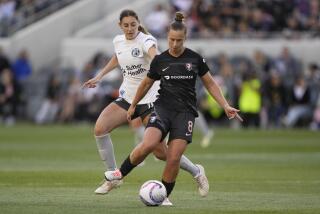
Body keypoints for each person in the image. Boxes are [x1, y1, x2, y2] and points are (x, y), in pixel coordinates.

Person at [105, 12, 242, 202]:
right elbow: (145, 84)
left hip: (185, 113)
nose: (174, 44)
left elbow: (210, 83)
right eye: (171, 40)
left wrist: (225, 105)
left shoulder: (195, 59)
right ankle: (119, 175)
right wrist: (133, 105)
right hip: (162, 108)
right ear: (167, 38)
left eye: (179, 40)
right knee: (149, 144)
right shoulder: (160, 60)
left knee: (174, 157)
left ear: (185, 38)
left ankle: (163, 196)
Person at [82, 9, 209, 205]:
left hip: (150, 100)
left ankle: (196, 172)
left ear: (138, 23)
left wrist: (164, 62)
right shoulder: (118, 41)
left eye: (133, 24)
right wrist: (99, 76)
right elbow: (118, 57)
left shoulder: (147, 41)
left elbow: (154, 55)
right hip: (128, 98)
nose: (130, 28)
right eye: (126, 25)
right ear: (120, 26)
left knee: (160, 152)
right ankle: (115, 177)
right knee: (100, 128)